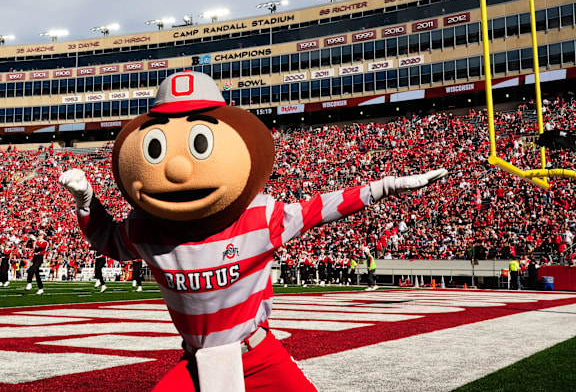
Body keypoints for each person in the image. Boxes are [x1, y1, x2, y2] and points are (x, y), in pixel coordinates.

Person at [60, 71, 447, 391]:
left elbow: (322, 207)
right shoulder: (149, 228)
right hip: (195, 360)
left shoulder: (261, 216)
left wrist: (387, 185)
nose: (177, 170)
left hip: (257, 355)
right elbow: (107, 240)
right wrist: (86, 202)